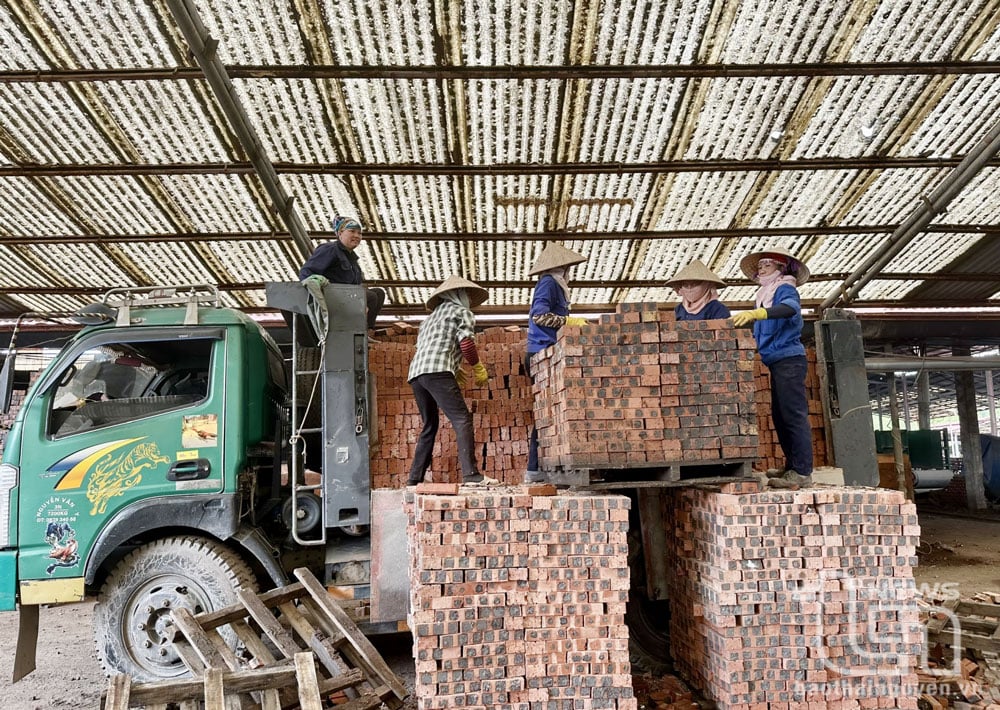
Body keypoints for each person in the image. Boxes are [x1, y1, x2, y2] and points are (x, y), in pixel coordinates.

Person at [732, 247, 813, 489]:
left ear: (780, 267)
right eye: (761, 265)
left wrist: (759, 313)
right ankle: (792, 465)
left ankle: (802, 472)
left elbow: (790, 309)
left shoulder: (784, 288)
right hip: (777, 360)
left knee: (793, 415)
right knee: (780, 416)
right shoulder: (765, 292)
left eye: (767, 264)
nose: (762, 267)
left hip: (789, 358)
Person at [407, 275, 497, 487]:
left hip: (416, 374)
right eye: (464, 293)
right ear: (457, 294)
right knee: (462, 419)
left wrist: (454, 368)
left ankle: (414, 478)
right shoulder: (461, 312)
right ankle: (471, 475)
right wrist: (477, 366)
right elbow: (465, 344)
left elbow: (431, 346)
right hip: (437, 371)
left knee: (429, 425)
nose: (466, 297)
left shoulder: (427, 320)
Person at [524, 243, 588, 483]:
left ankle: (548, 469)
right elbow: (539, 316)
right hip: (541, 354)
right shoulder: (549, 283)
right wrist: (569, 322)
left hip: (549, 354)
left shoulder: (557, 287)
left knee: (553, 411)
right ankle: (535, 470)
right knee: (547, 412)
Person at [299, 216, 386, 329]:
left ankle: (368, 330)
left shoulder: (351, 258)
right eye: (352, 231)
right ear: (340, 233)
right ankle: (361, 330)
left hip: (348, 295)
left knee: (379, 293)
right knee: (371, 297)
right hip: (333, 296)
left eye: (359, 233)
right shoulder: (330, 249)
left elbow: (356, 284)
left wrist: (362, 302)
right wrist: (316, 282)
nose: (357, 236)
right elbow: (306, 271)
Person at [666, 259, 731, 320]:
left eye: (694, 284)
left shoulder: (717, 309)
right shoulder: (679, 309)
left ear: (706, 285)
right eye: (685, 285)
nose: (689, 288)